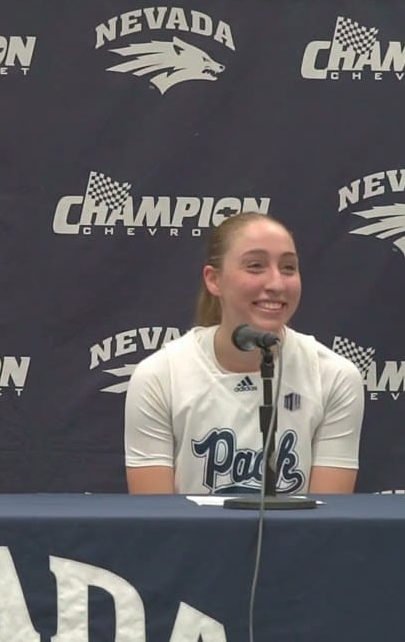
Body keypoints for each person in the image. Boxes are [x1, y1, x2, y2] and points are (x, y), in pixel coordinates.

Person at [124, 212, 363, 495]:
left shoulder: (335, 376)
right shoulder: (160, 375)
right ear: (214, 281)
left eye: (288, 267)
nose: (276, 284)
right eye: (255, 266)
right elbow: (156, 520)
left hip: (296, 541)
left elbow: (324, 520)